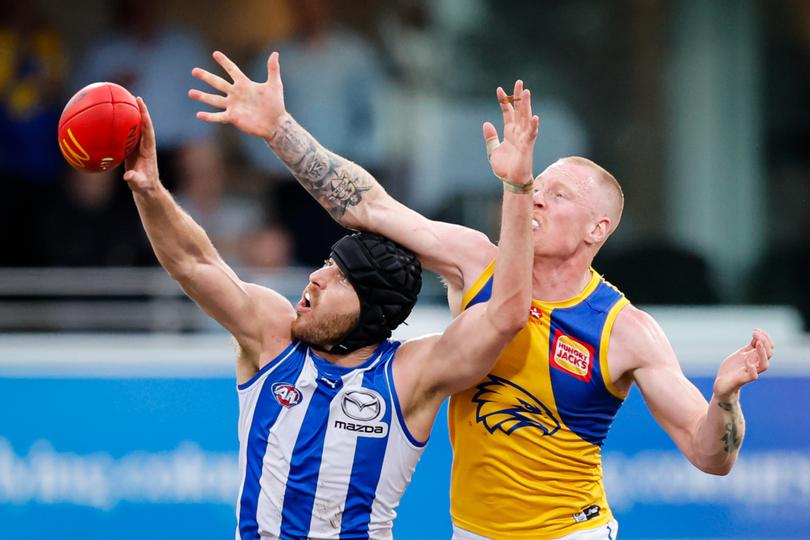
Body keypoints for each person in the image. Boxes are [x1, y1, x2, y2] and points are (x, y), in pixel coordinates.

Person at [190, 50, 776, 539]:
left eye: (561, 194)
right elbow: (369, 206)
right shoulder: (477, 262)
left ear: (599, 229)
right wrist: (279, 129)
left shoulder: (624, 330)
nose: (540, 199)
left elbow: (709, 456)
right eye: (536, 187)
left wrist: (724, 402)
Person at [132, 58, 538, 538]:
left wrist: (517, 187)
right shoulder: (271, 335)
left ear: (373, 311)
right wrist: (151, 189)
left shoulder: (409, 375)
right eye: (327, 262)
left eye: (341, 277)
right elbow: (193, 263)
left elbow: (507, 315)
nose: (317, 279)